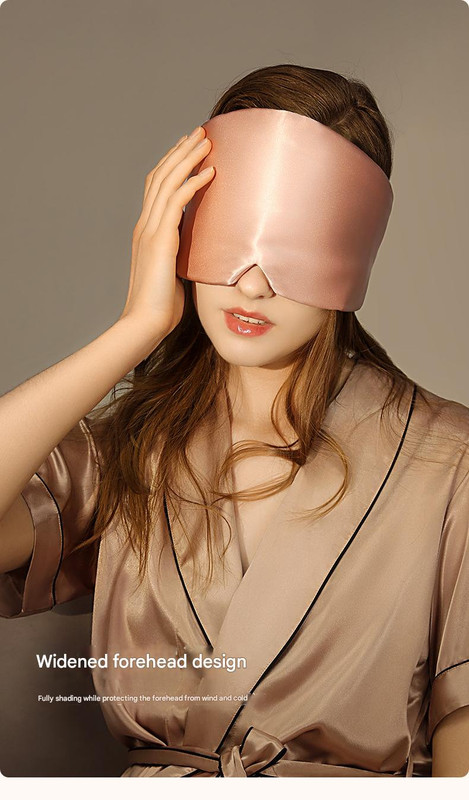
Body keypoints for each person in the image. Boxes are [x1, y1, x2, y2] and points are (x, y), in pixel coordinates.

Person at [1, 64, 468, 779]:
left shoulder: (449, 463)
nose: (252, 283)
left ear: (356, 247)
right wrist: (135, 328)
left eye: (296, 243)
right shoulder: (130, 452)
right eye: (231, 230)